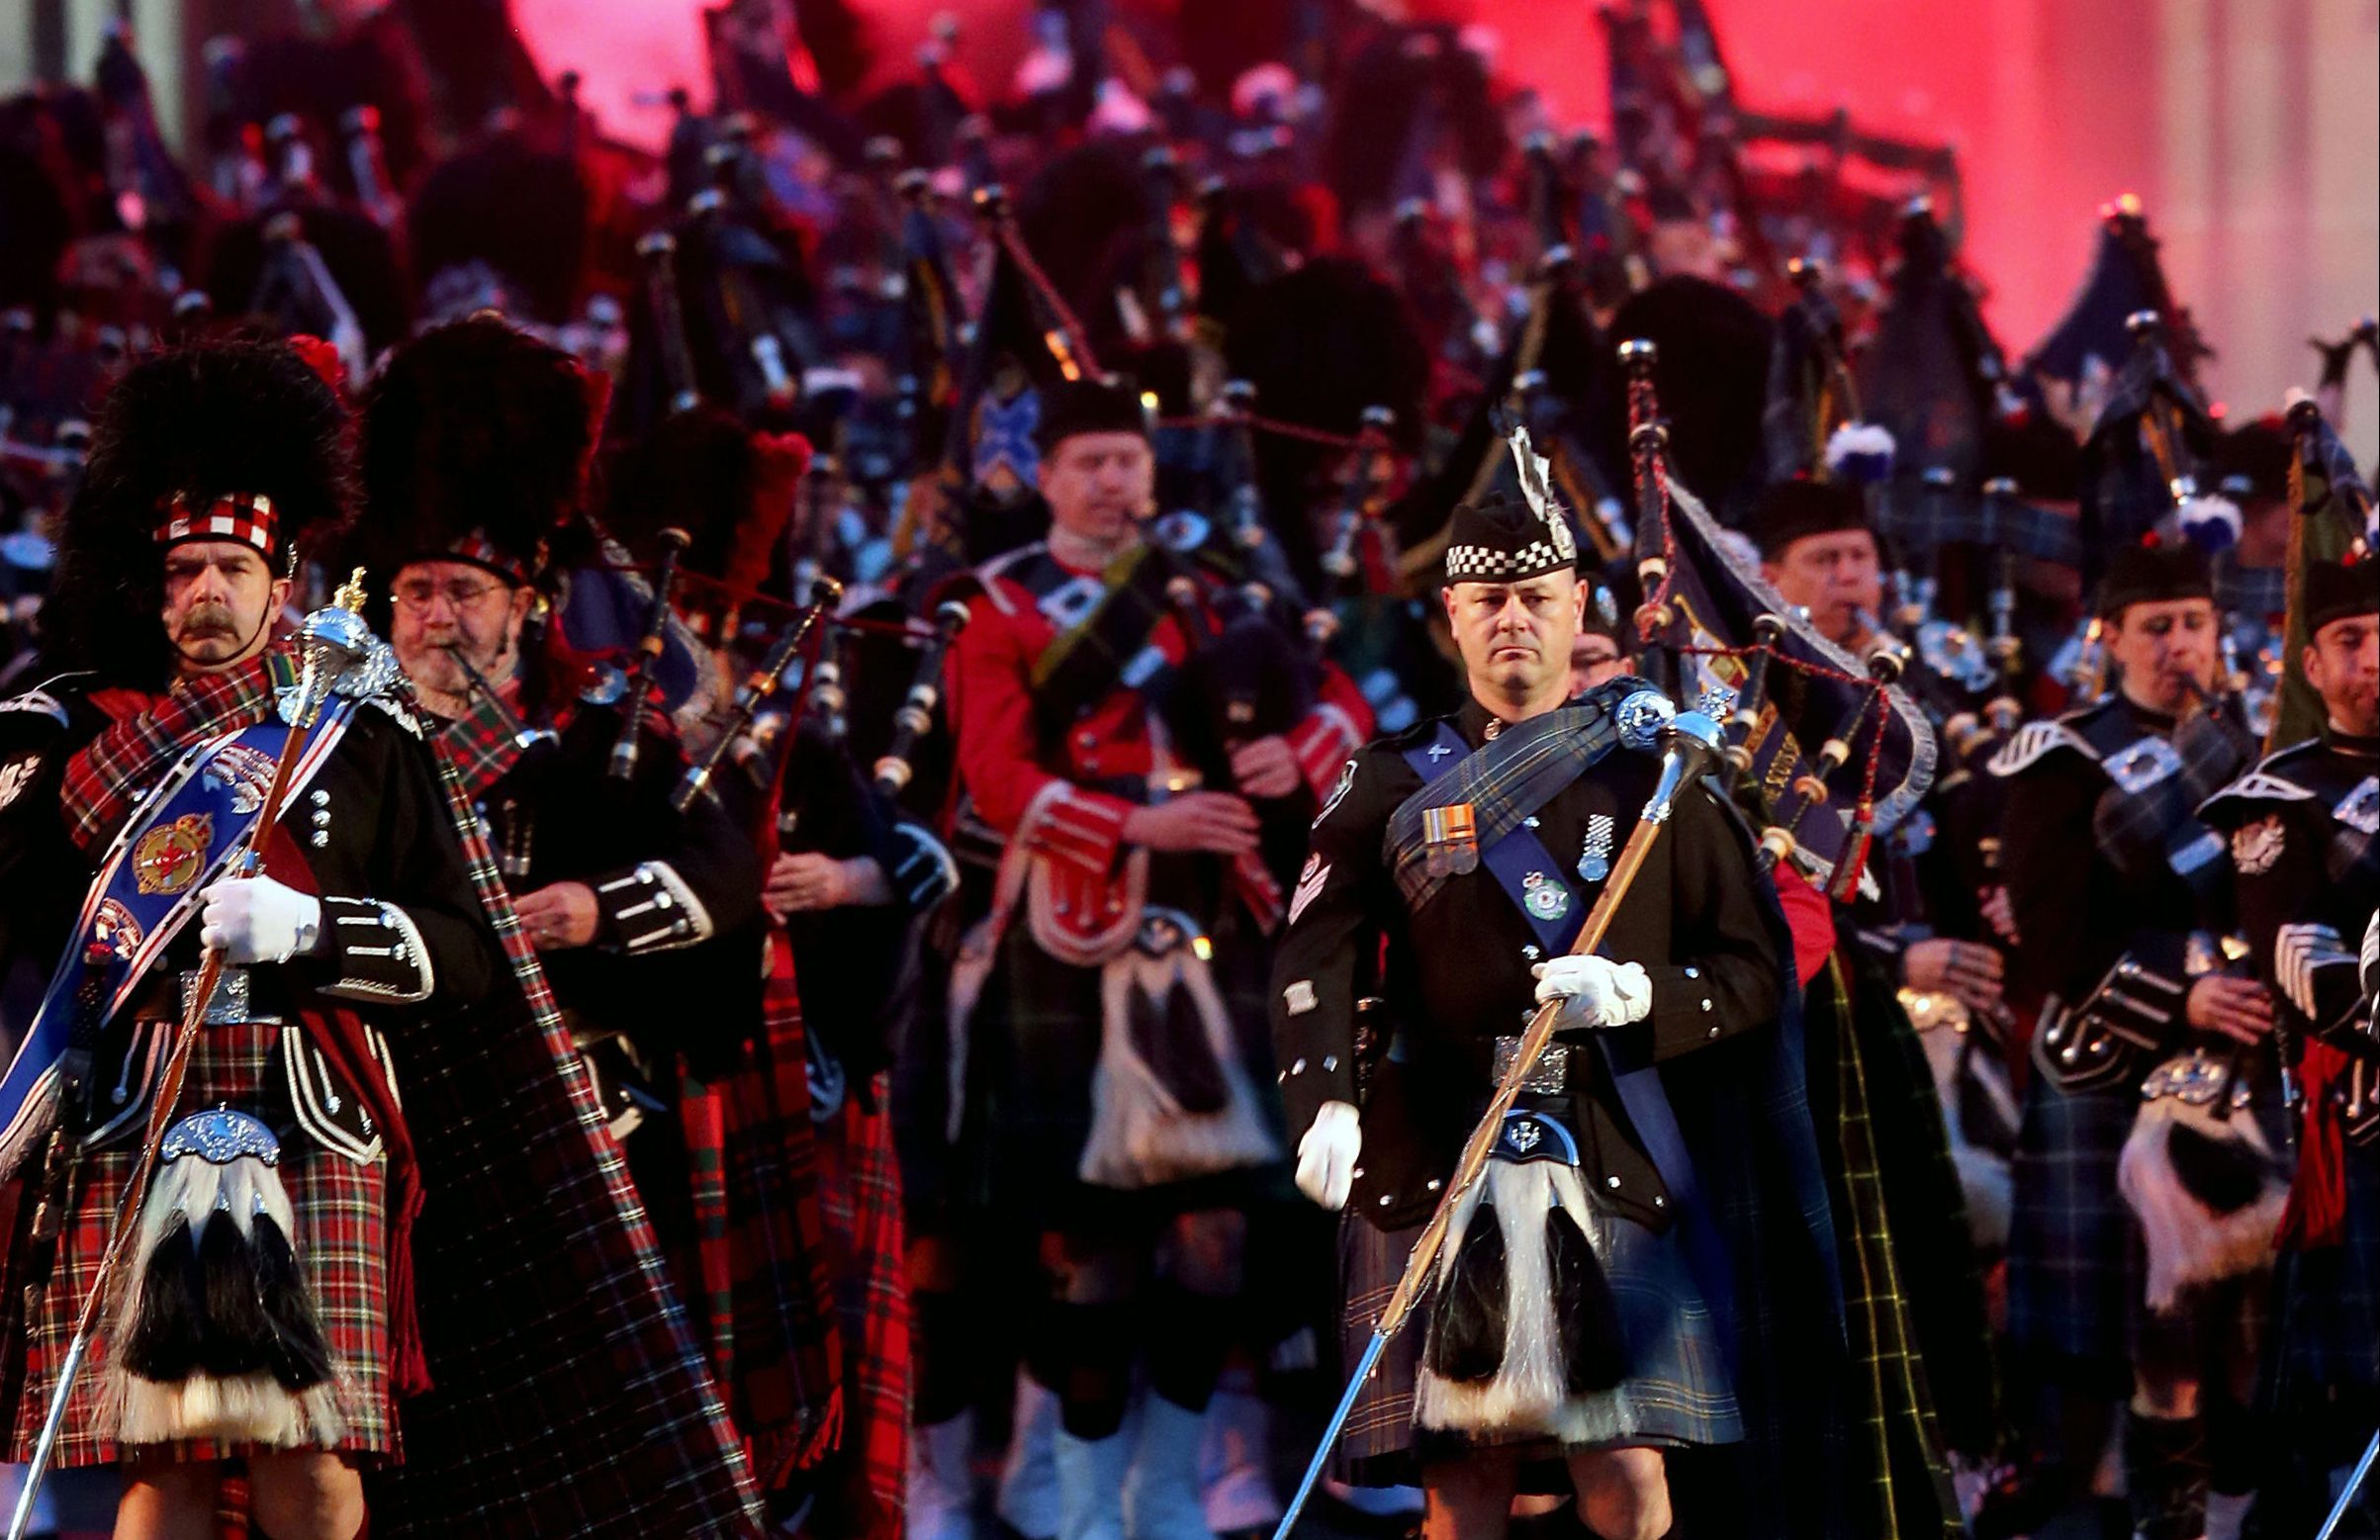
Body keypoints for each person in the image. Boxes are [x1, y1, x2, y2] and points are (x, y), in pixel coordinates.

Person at [1268, 484, 1846, 1539]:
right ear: (1450, 614)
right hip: (1433, 1147)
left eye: (1537, 597)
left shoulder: (1661, 778)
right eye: (1487, 602)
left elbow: (1754, 970)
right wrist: (1327, 1102)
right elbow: (1315, 950)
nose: (1513, 620)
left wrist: (1635, 996)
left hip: (1610, 1140)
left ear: (1580, 607)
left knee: (1629, 1485)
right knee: (1464, 1486)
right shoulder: (1385, 779)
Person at [0, 337, 504, 1540]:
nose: (208, 594)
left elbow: (468, 949)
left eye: (234, 565)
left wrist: (311, 928)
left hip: (309, 1105)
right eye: (185, 571)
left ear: (285, 580)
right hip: (141, 1097)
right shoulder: (87, 738)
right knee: (157, 1461)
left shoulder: (363, 731)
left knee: (314, 1459)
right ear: (153, 583)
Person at [945, 374, 1368, 1540]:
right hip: (1075, 933)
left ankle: (1170, 1487)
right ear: (1044, 478)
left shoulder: (1210, 594)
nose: (1113, 481)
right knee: (1093, 1241)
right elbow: (998, 781)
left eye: (1128, 460)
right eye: (1089, 463)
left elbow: (1341, 705)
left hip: (1215, 920)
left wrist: (1294, 749)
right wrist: (1141, 820)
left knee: (1219, 1233)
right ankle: (1083, 1503)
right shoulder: (999, 612)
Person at [1989, 538, 2276, 1540]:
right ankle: (2115, 1500)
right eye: (2157, 628)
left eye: (2194, 624)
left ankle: (2210, 1495)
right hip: (2111, 1058)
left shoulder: (2253, 753)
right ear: (2109, 639)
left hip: (2236, 1061)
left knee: (2224, 1308)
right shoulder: (2062, 757)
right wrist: (2185, 994)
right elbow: (2056, 936)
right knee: (2135, 1318)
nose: (2179, 646)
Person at [2197, 554, 2379, 1535]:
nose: (2376, 662)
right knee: (2352, 1384)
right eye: (2353, 642)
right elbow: (2297, 958)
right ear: (2311, 664)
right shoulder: (2280, 795)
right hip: (2360, 1127)